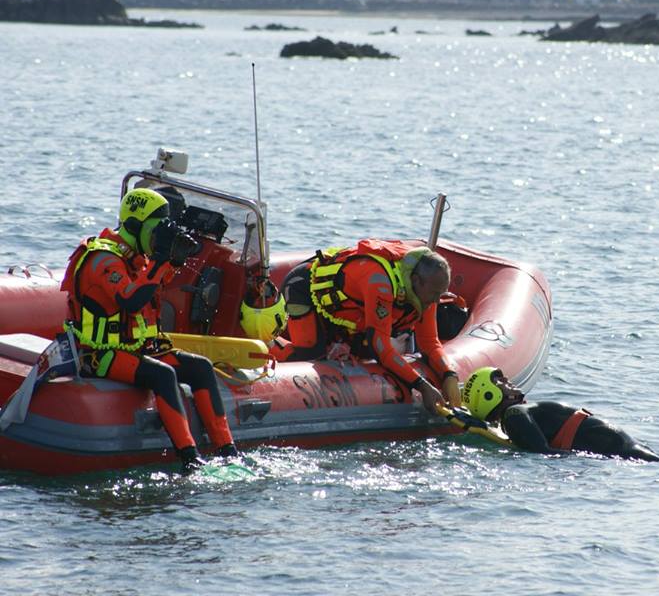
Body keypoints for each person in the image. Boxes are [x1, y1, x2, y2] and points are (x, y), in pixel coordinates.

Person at [61, 187, 238, 473]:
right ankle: (190, 459)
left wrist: (171, 259)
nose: (158, 238)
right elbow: (131, 300)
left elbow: (154, 287)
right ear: (134, 225)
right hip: (101, 354)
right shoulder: (102, 260)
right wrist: (159, 259)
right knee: (163, 374)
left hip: (138, 348)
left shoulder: (137, 256)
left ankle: (228, 451)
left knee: (201, 368)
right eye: (156, 231)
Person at [277, 239, 461, 414]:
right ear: (416, 280)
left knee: (361, 350)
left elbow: (429, 342)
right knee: (310, 352)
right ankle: (270, 344)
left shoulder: (427, 292)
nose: (438, 300)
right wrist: (421, 385)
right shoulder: (380, 282)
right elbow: (379, 347)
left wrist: (449, 375)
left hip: (345, 311)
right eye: (435, 293)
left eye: (441, 293)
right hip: (302, 288)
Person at [460, 367, 659, 461]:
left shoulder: (516, 416)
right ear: (487, 395)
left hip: (615, 447)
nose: (509, 382)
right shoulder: (514, 414)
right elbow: (543, 453)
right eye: (501, 383)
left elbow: (540, 451)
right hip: (617, 446)